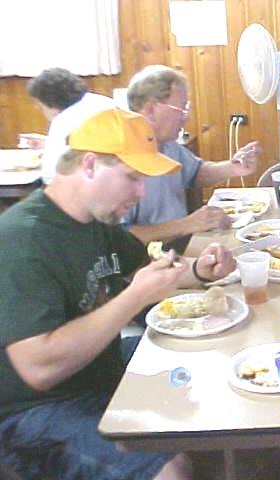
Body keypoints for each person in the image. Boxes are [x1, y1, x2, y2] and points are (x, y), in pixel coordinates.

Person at [0, 108, 236, 479]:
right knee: (171, 472)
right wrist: (134, 297)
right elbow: (38, 368)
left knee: (210, 361)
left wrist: (197, 270)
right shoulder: (22, 240)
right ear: (89, 165)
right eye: (132, 178)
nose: (141, 192)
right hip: (35, 411)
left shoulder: (95, 219)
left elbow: (143, 269)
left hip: (99, 368)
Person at [123, 64, 262, 250]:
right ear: (150, 110)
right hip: (149, 258)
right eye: (181, 109)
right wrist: (186, 224)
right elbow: (119, 238)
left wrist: (233, 167)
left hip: (181, 243)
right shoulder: (120, 162)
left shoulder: (168, 144)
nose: (186, 118)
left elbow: (195, 173)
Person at [27, 67, 115, 183]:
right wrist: (47, 143)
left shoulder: (63, 121)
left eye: (40, 106)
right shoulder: (105, 102)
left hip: (93, 185)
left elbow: (50, 175)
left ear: (50, 103)